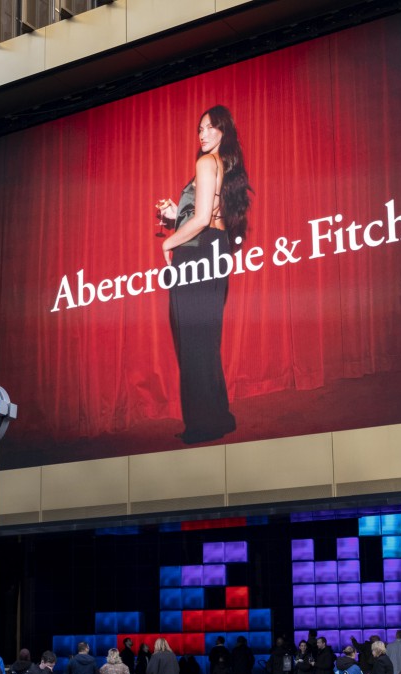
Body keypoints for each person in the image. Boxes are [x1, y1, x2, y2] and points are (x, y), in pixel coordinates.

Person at [155, 105, 250, 444]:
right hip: (214, 247)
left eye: (211, 127)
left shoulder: (206, 162)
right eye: (200, 129)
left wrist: (168, 244)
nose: (204, 133)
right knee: (205, 341)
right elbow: (206, 214)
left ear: (224, 130)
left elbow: (199, 221)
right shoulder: (224, 164)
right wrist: (174, 213)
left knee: (194, 342)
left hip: (197, 252)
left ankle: (203, 426)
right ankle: (218, 416)